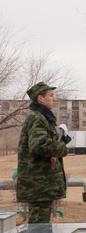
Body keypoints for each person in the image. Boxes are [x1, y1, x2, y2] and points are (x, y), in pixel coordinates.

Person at [16, 82, 72, 225]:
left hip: (42, 183)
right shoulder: (37, 117)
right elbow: (40, 146)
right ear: (40, 98)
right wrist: (62, 148)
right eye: (51, 95)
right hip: (39, 183)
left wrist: (62, 137)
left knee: (41, 224)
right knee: (38, 227)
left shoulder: (43, 117)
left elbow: (44, 143)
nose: (54, 98)